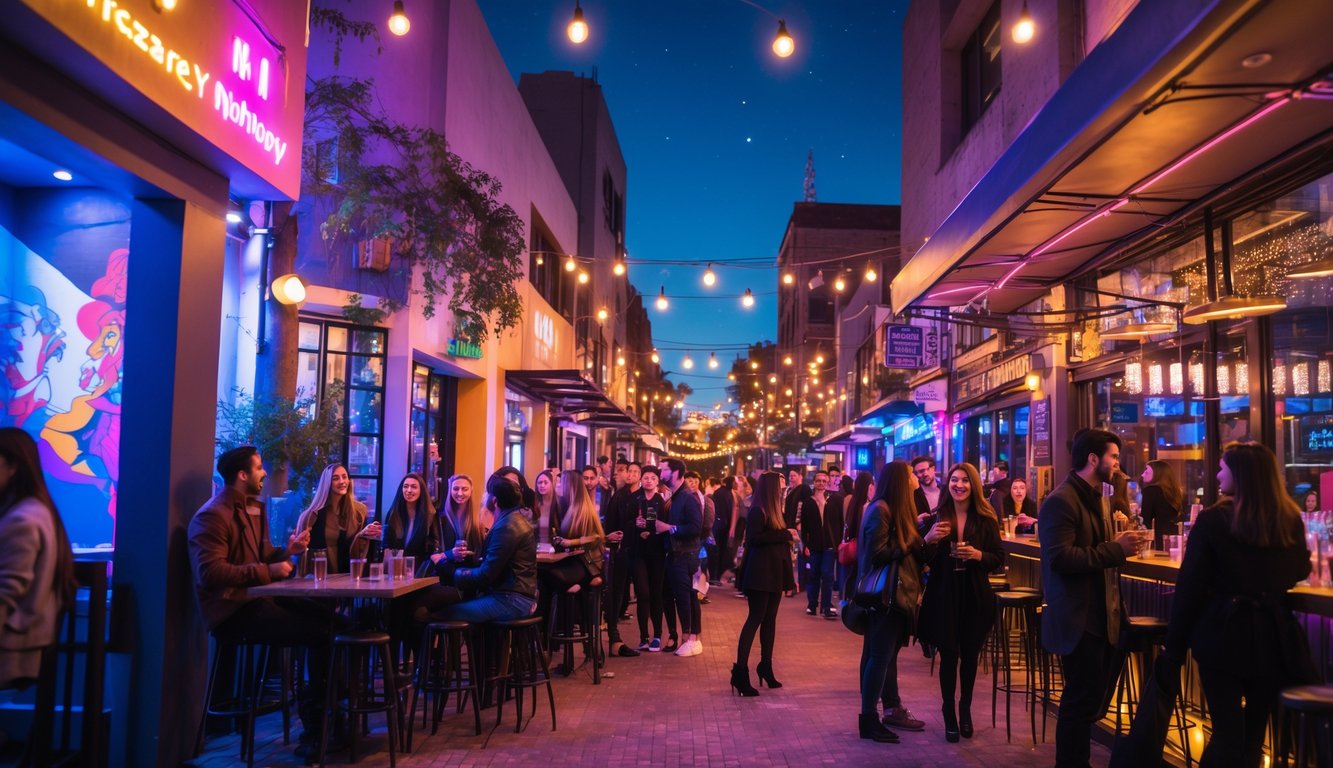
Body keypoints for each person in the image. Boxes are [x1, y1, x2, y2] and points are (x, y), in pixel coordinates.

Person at [1157, 442, 1310, 768]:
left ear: (1239, 475)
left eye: (1222, 467)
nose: (1217, 473)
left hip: (1223, 636)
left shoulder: (1214, 520)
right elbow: (1301, 570)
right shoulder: (1289, 519)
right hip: (1272, 638)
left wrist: (1174, 646)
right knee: (1253, 736)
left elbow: (1190, 588)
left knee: (1227, 733)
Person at [188, 446, 338, 760]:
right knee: (322, 633)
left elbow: (264, 556)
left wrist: (289, 551)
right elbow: (209, 573)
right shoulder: (212, 516)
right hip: (232, 611)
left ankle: (335, 722)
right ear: (242, 475)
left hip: (259, 600)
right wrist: (269, 570)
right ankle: (317, 731)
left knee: (336, 623)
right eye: (259, 468)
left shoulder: (254, 509)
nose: (265, 473)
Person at [1040, 429, 1149, 768]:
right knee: (1078, 703)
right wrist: (1115, 549)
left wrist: (1119, 543)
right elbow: (1061, 559)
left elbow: (1093, 549)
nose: (1117, 464)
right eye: (1113, 457)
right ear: (1093, 459)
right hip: (1078, 617)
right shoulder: (1062, 500)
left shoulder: (1096, 496)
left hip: (1101, 615)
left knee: (1088, 702)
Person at [918, 462, 1005, 742]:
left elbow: (998, 558)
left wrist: (979, 556)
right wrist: (928, 540)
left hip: (975, 595)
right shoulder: (937, 517)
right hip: (944, 595)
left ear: (974, 485)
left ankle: (965, 708)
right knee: (948, 656)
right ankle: (948, 713)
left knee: (969, 657)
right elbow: (921, 560)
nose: (959, 485)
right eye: (954, 480)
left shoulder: (986, 518)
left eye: (965, 481)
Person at [0, 428, 76, 690]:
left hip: (12, 644)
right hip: (28, 642)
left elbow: (8, 590)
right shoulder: (36, 510)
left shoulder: (22, 518)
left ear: (13, 466)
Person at [857, 461, 927, 743]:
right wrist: (915, 539)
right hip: (885, 597)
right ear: (900, 480)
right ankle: (869, 720)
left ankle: (887, 710)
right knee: (879, 657)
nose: (915, 478)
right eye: (911, 474)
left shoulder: (893, 509)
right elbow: (878, 555)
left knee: (884, 657)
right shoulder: (880, 510)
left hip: (896, 596)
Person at [430, 473, 538, 623]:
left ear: (494, 501)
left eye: (488, 494)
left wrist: (449, 569)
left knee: (438, 613)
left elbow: (485, 575)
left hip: (510, 600)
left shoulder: (507, 526)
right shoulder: (514, 520)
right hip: (518, 596)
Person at [732, 471, 794, 695]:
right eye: (781, 484)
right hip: (760, 572)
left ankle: (765, 666)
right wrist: (785, 534)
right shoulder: (758, 510)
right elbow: (755, 539)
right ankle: (740, 672)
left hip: (775, 571)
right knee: (755, 618)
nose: (784, 488)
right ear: (771, 488)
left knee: (770, 619)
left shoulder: (776, 509)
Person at [294, 464, 378, 576]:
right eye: (335, 478)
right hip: (319, 580)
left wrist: (364, 535)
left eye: (345, 477)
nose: (342, 481)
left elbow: (361, 552)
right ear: (327, 483)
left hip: (350, 580)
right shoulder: (310, 516)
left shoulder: (359, 512)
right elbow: (300, 555)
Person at [661, 459, 704, 657]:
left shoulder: (688, 497)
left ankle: (690, 638)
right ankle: (689, 637)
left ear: (676, 472)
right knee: (682, 597)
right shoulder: (676, 496)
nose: (661, 472)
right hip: (675, 554)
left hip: (685, 555)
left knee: (686, 597)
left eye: (664, 470)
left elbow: (696, 527)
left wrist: (671, 529)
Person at [632, 465, 676, 651]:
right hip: (638, 552)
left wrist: (654, 532)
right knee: (643, 594)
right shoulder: (634, 499)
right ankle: (643, 636)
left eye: (652, 478)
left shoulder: (663, 502)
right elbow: (625, 524)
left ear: (658, 481)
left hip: (657, 553)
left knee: (656, 593)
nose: (648, 480)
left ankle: (657, 635)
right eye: (646, 477)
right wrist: (635, 527)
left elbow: (667, 527)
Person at [604, 462, 642, 657]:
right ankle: (614, 637)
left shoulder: (643, 496)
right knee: (616, 592)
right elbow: (610, 525)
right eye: (628, 471)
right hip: (619, 551)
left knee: (636, 592)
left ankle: (647, 638)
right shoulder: (617, 496)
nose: (629, 474)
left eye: (634, 471)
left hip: (638, 552)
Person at [801, 470, 843, 619]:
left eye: (824, 481)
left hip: (830, 544)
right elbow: (804, 526)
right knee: (813, 574)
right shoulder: (807, 502)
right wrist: (805, 544)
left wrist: (838, 542)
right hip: (813, 544)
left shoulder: (835, 500)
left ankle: (826, 605)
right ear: (814, 482)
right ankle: (812, 604)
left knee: (827, 574)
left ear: (828, 482)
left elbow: (840, 522)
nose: (821, 483)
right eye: (818, 481)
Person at [841, 471, 875, 592]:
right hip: (862, 548)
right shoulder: (867, 505)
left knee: (850, 577)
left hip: (852, 546)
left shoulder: (852, 501)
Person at [1140, 459, 1184, 547]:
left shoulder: (1150, 491)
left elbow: (1145, 521)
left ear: (1157, 475)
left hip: (1156, 542)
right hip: (1173, 541)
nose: (1142, 474)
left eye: (1147, 471)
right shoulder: (1175, 493)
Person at [709, 476, 737, 585]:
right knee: (718, 552)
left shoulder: (724, 492)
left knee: (720, 552)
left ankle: (716, 576)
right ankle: (715, 577)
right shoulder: (723, 493)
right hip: (721, 527)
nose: (736, 485)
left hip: (722, 526)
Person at [532, 469, 564, 549]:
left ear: (551, 484)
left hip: (556, 550)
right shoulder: (534, 505)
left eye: (545, 482)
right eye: (539, 483)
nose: (542, 485)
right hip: (537, 549)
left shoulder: (559, 504)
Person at [911, 456, 942, 522]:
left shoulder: (946, 490)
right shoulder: (913, 495)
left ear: (933, 469)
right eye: (918, 472)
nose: (924, 474)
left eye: (923, 470)